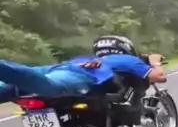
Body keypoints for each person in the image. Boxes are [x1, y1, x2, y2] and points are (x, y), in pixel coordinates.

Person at [0, 35, 167, 105]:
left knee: (15, 82)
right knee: (37, 81)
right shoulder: (128, 60)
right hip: (78, 74)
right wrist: (154, 61)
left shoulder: (94, 59)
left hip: (61, 67)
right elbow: (159, 76)